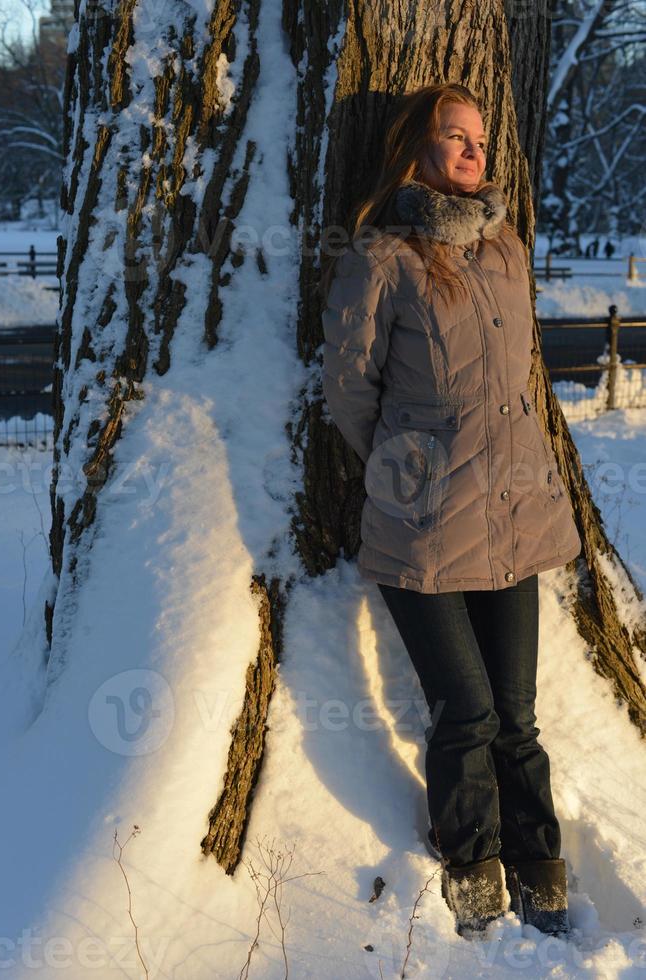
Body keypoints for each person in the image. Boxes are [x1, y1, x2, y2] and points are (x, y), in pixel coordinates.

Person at [320, 82, 581, 940]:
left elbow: (521, 380)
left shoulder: (506, 249)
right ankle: (474, 880)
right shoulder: (382, 256)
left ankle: (542, 873)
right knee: (464, 712)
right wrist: (409, 469)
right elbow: (350, 393)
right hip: (423, 525)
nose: (473, 151)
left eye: (479, 137)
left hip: (514, 517)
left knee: (517, 715)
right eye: (454, 136)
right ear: (416, 148)